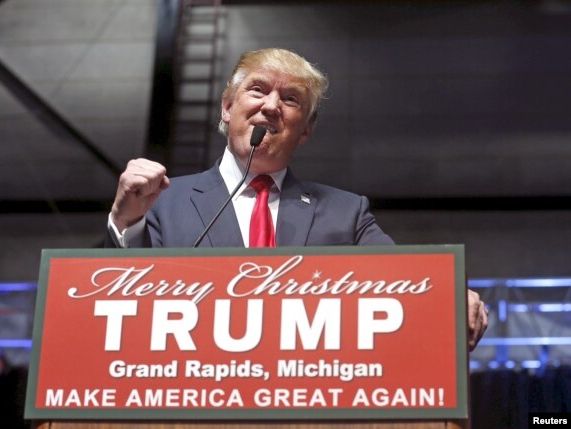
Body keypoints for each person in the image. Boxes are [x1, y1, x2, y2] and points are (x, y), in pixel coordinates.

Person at [106, 47, 488, 350]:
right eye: (258, 90)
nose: (271, 106)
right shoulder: (163, 201)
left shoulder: (345, 213)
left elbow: (401, 280)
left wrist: (448, 297)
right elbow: (123, 306)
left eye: (290, 99)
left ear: (306, 129)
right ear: (227, 108)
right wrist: (125, 222)